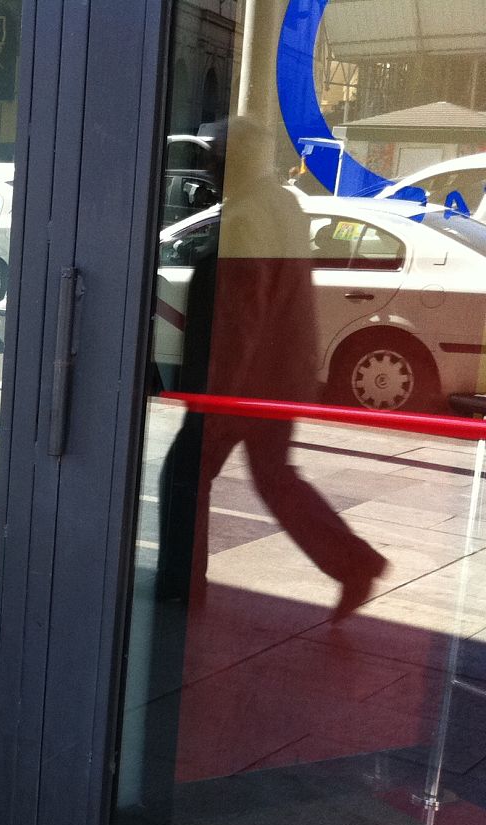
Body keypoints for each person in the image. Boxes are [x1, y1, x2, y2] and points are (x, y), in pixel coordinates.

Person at [156, 117, 386, 621]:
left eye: (216, 156)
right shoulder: (282, 202)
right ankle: (354, 564)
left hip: (244, 384)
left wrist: (219, 401)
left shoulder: (247, 218)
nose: (209, 165)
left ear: (233, 161)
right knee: (275, 479)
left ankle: (181, 584)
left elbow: (242, 317)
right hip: (279, 376)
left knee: (183, 476)